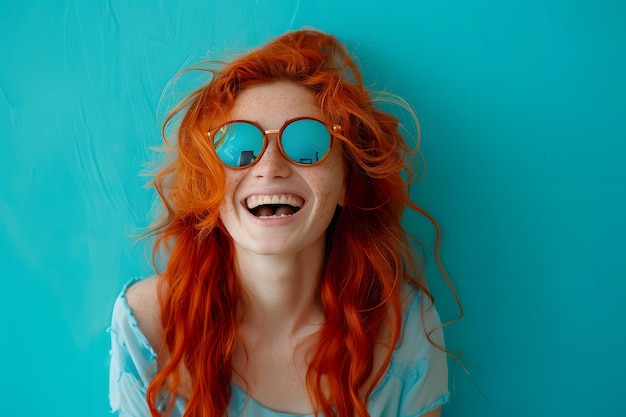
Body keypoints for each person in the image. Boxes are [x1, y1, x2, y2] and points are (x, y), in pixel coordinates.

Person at [109, 29, 453, 417]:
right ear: (207, 182)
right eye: (238, 145)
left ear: (346, 182)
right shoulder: (149, 323)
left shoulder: (404, 328)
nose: (270, 168)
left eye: (308, 143)